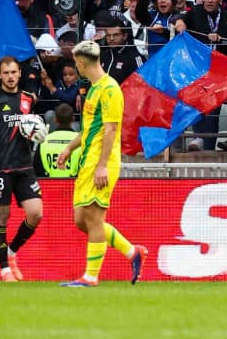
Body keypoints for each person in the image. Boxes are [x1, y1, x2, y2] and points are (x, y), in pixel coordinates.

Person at [53, 40, 147, 287]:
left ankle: (90, 277)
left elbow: (111, 129)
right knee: (80, 219)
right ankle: (132, 252)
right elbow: (89, 130)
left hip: (101, 162)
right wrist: (69, 149)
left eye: (76, 64)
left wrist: (103, 165)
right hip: (87, 161)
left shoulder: (110, 89)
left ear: (81, 63)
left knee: (94, 219)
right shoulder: (94, 89)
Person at [0, 56, 45, 281]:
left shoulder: (28, 99)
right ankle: (4, 269)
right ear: (0, 74)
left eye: (13, 72)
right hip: (1, 168)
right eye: (5, 73)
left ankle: (12, 251)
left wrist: (39, 134)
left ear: (19, 74)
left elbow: (32, 130)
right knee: (2, 216)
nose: (10, 77)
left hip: (25, 167)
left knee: (36, 213)